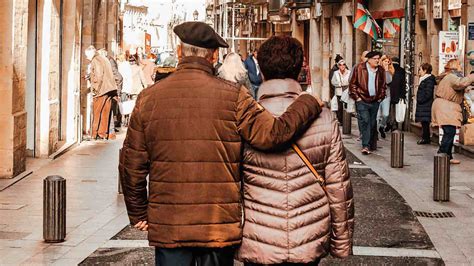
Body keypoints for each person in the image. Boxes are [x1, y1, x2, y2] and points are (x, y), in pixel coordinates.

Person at [119, 21, 324, 266]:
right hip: (217, 227)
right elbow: (273, 135)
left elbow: (132, 165)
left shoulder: (148, 98)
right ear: (214, 55)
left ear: (179, 51)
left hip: (170, 224)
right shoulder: (234, 96)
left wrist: (139, 213)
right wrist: (307, 102)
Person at [236, 35, 354, 266]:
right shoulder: (323, 118)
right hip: (308, 234)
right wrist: (341, 241)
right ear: (299, 69)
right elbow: (338, 185)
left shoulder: (246, 117)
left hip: (259, 234)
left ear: (261, 69)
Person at [432, 59, 474, 164]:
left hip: (446, 107)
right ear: (454, 66)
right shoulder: (451, 76)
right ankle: (441, 154)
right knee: (449, 132)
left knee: (450, 131)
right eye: (459, 64)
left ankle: (448, 156)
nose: (460, 66)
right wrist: (472, 76)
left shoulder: (449, 76)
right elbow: (461, 83)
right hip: (446, 107)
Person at [349, 51, 386, 155]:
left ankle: (371, 143)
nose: (377, 60)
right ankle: (366, 145)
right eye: (375, 58)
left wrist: (380, 97)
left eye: (378, 58)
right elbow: (352, 84)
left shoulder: (381, 70)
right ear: (368, 59)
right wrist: (357, 98)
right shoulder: (359, 68)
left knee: (373, 122)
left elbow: (383, 85)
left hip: (375, 100)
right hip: (362, 99)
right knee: (365, 120)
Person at [84, 46, 118, 140]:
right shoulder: (104, 58)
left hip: (101, 90)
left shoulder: (96, 60)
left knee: (97, 112)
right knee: (105, 112)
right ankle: (103, 133)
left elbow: (99, 76)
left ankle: (94, 134)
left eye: (87, 55)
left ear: (91, 53)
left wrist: (95, 90)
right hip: (109, 89)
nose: (87, 58)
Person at [98, 48, 123, 130]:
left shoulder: (109, 62)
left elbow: (119, 77)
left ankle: (110, 130)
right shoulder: (109, 61)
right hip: (110, 89)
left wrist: (117, 91)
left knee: (109, 109)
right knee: (109, 109)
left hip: (110, 89)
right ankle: (110, 130)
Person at [415, 63, 436, 144]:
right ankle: (425, 137)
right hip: (424, 104)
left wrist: (421, 99)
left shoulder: (428, 80)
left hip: (426, 104)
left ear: (425, 70)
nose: (419, 72)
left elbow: (428, 93)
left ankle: (426, 138)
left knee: (425, 122)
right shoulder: (424, 79)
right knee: (424, 122)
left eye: (420, 69)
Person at [377, 55, 394, 139]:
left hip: (386, 95)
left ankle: (382, 126)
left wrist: (386, 70)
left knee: (385, 114)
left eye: (388, 61)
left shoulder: (390, 71)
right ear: (381, 61)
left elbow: (388, 81)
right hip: (377, 96)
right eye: (385, 61)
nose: (386, 63)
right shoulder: (377, 70)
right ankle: (375, 133)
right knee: (377, 116)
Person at [388, 57, 406, 131]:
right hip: (398, 93)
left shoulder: (389, 69)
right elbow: (403, 83)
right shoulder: (402, 70)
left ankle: (390, 122)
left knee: (389, 108)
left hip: (389, 91)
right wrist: (403, 94)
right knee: (396, 108)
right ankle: (394, 123)